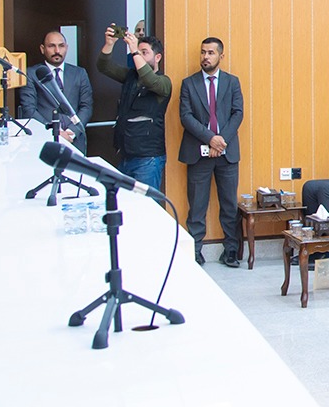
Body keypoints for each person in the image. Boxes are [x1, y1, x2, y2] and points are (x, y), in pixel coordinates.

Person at [177, 36, 245, 267]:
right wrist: (210, 139)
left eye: (210, 53)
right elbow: (186, 116)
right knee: (197, 206)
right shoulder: (189, 84)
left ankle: (231, 250)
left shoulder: (232, 82)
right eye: (203, 52)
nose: (205, 57)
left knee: (229, 204)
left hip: (227, 153)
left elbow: (238, 113)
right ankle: (195, 250)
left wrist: (220, 141)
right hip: (198, 153)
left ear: (221, 56)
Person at [97, 24, 171, 192]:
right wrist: (109, 44)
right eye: (139, 52)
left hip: (148, 159)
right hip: (126, 155)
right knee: (124, 201)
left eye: (145, 52)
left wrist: (134, 51)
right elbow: (103, 66)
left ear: (157, 57)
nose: (139, 55)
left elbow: (149, 79)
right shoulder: (130, 76)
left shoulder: (164, 82)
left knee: (146, 204)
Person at [18, 27, 93, 156]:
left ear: (66, 48)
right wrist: (55, 131)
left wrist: (71, 132)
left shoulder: (79, 73)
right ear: (42, 49)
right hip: (44, 141)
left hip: (74, 141)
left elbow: (86, 106)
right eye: (51, 46)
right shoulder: (31, 74)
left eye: (61, 46)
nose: (57, 51)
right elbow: (29, 109)